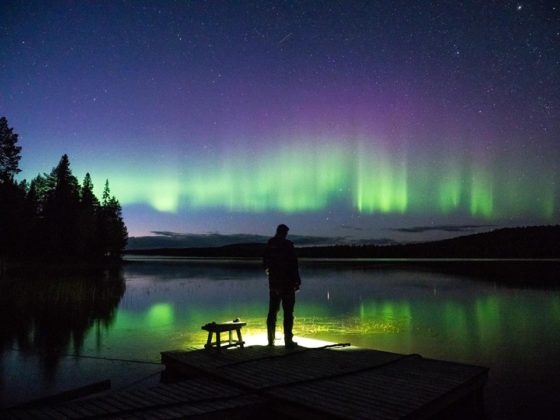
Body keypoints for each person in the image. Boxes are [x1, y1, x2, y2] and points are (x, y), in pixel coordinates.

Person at [263, 224, 301, 348]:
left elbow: (265, 262)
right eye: (286, 233)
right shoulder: (288, 245)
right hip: (287, 284)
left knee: (272, 312)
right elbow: (294, 265)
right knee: (288, 313)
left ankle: (270, 340)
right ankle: (288, 341)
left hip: (274, 284)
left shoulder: (270, 244)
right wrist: (297, 281)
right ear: (284, 233)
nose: (286, 235)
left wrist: (270, 273)